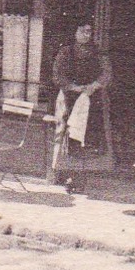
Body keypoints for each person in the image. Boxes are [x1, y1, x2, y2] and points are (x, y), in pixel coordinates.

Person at [51, 21, 113, 187]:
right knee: (66, 136)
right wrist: (74, 87)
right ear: (75, 32)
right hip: (68, 100)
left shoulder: (98, 53)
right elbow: (57, 75)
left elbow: (106, 74)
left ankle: (80, 177)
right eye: (83, 31)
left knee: (85, 139)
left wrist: (93, 86)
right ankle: (62, 173)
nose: (87, 34)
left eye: (89, 32)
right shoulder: (65, 52)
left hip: (91, 101)